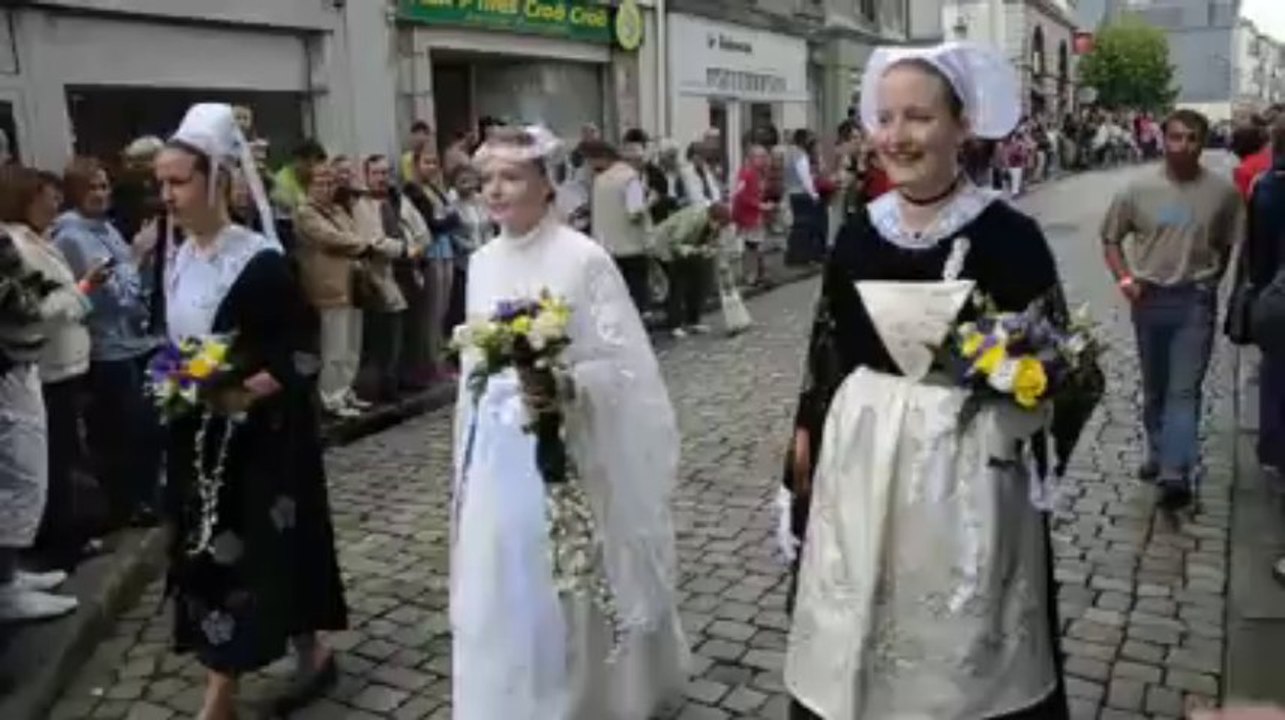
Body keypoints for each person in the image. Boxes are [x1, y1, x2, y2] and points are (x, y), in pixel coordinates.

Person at [781, 42, 1078, 719]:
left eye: (916, 116)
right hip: (861, 458)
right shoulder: (857, 233)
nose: (896, 135)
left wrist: (1012, 411)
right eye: (884, 118)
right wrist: (801, 450)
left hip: (965, 469)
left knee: (960, 632)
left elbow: (1061, 365)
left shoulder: (1008, 235)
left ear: (960, 124)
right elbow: (825, 351)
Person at [453, 125, 688, 719]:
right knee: (507, 565)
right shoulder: (480, 262)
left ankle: (586, 695)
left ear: (546, 184)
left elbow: (624, 365)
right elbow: (475, 369)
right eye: (487, 180)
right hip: (500, 450)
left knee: (572, 567)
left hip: (571, 440)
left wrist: (563, 387)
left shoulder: (583, 259)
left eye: (511, 177)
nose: (496, 191)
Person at [157, 103, 347, 720]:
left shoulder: (259, 261)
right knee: (211, 551)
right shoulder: (178, 257)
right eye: (161, 183)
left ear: (216, 182)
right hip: (198, 437)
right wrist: (176, 382)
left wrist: (247, 391)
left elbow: (300, 348)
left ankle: (226, 691)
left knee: (261, 548)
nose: (167, 195)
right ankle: (289, 653)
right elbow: (179, 345)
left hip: (262, 444)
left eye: (178, 181)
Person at [1101, 108, 1243, 510]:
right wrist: (1125, 280)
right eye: (1176, 137)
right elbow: (1111, 238)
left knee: (1185, 389)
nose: (1183, 146)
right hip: (1148, 298)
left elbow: (1230, 242)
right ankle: (1159, 451)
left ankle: (1175, 471)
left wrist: (1213, 281)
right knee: (1156, 387)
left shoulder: (1222, 193)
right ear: (1163, 140)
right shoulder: (1137, 189)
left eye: (1192, 138)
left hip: (1194, 300)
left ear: (1203, 142)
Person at [53, 157, 162, 529]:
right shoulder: (72, 235)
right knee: (123, 432)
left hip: (135, 338)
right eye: (92, 188)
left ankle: (146, 495)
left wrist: (135, 265)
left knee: (147, 424)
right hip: (107, 346)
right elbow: (112, 296)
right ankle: (128, 504)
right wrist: (138, 253)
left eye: (103, 186)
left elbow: (133, 287)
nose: (100, 194)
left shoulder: (105, 229)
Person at [2, 169, 101, 570]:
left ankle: (67, 536)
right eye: (48, 196)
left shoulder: (37, 239)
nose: (56, 203)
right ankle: (54, 548)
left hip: (66, 359)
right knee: (47, 462)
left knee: (62, 455)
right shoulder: (15, 243)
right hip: (42, 363)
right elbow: (34, 311)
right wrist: (83, 291)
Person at [294, 162, 375, 418]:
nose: (327, 188)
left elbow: (354, 233)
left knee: (352, 343)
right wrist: (361, 244)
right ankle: (331, 396)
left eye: (330, 183)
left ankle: (346, 389)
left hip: (352, 282)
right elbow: (330, 238)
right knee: (334, 347)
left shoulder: (339, 209)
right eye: (320, 183)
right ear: (308, 185)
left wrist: (358, 242)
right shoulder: (306, 213)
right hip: (328, 285)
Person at [351, 154, 426, 402]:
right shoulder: (362, 204)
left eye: (386, 173)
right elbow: (373, 240)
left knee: (409, 331)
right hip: (382, 274)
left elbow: (420, 229)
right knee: (386, 338)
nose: (382, 178)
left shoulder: (398, 199)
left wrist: (416, 246)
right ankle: (385, 386)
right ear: (367, 176)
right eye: (377, 173)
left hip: (409, 272)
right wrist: (403, 249)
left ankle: (406, 378)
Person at [402, 147, 461, 383]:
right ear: (416, 165)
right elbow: (433, 223)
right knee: (432, 311)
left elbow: (451, 218)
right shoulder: (412, 190)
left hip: (446, 250)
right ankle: (431, 362)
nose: (432, 167)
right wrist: (447, 221)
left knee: (443, 309)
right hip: (431, 251)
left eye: (434, 163)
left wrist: (448, 221)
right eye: (426, 162)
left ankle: (441, 357)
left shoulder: (437, 189)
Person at [581, 139, 652, 312]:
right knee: (635, 296)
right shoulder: (630, 178)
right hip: (631, 248)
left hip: (606, 248)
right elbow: (635, 212)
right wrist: (649, 202)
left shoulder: (599, 180)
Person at [652, 202, 728, 338]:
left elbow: (712, 242)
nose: (719, 228)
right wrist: (696, 250)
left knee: (698, 281)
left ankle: (693, 321)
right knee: (679, 283)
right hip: (664, 248)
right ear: (713, 219)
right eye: (719, 224)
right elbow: (675, 242)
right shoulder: (693, 218)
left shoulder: (710, 225)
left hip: (686, 250)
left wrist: (710, 250)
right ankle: (674, 325)